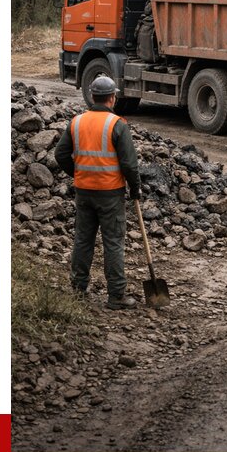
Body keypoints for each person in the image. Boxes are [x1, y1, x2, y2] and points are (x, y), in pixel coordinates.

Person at [55, 75, 142, 310]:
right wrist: (135, 187)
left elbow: (60, 154)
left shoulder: (76, 122)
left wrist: (78, 174)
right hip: (110, 193)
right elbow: (129, 164)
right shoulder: (117, 124)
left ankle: (78, 290)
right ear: (112, 98)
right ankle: (116, 296)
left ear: (92, 96)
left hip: (84, 191)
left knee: (83, 240)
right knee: (113, 242)